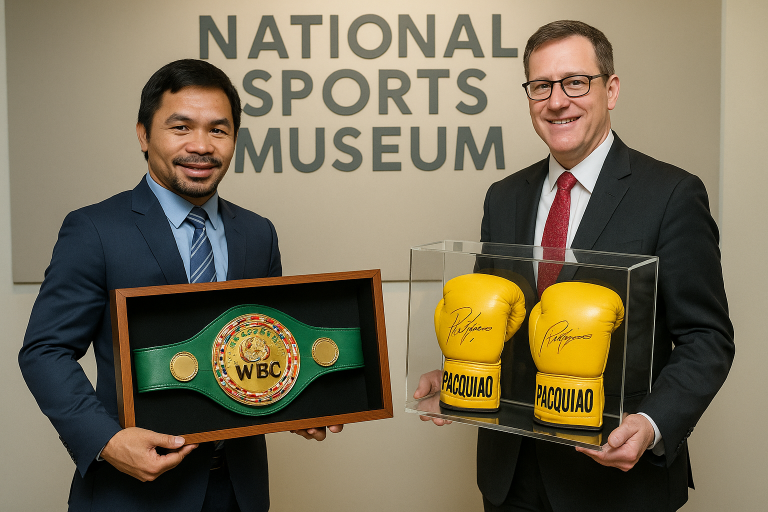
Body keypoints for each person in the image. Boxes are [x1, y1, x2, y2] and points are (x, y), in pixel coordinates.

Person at [415, 20, 734, 511]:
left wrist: (651, 425)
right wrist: (460, 372)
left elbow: (706, 338)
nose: (557, 101)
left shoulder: (671, 195)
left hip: (615, 482)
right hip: (511, 476)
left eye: (574, 82)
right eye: (541, 85)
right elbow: (496, 322)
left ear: (611, 90)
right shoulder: (503, 198)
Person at [18, 59, 339, 512]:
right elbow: (44, 351)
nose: (201, 146)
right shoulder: (94, 230)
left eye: (218, 130)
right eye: (181, 127)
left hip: (238, 491)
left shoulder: (258, 233)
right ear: (144, 134)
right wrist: (106, 441)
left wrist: (303, 401)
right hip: (130, 495)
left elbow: (264, 342)